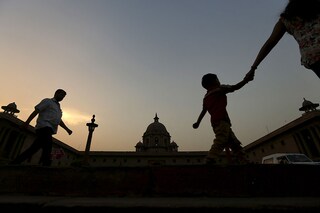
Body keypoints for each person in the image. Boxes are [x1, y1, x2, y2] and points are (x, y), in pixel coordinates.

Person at [193, 70, 254, 165]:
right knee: (221, 140)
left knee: (234, 143)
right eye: (217, 79)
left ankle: (243, 160)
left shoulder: (206, 97)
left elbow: (203, 111)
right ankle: (210, 159)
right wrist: (246, 80)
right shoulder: (219, 89)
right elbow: (235, 87)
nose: (219, 81)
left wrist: (197, 123)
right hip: (222, 121)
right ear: (214, 81)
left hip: (216, 123)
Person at [249, 0, 320, 78]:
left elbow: (270, 43)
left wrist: (253, 68)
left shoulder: (286, 19)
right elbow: (270, 43)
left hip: (313, 57)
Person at [10, 89, 72, 166]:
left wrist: (67, 129)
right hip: (44, 126)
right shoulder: (48, 101)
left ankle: (16, 162)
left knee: (34, 148)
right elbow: (36, 111)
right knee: (48, 145)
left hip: (50, 129)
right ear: (56, 93)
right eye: (61, 95)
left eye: (63, 96)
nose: (62, 97)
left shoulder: (59, 109)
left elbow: (59, 121)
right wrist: (26, 122)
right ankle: (46, 164)